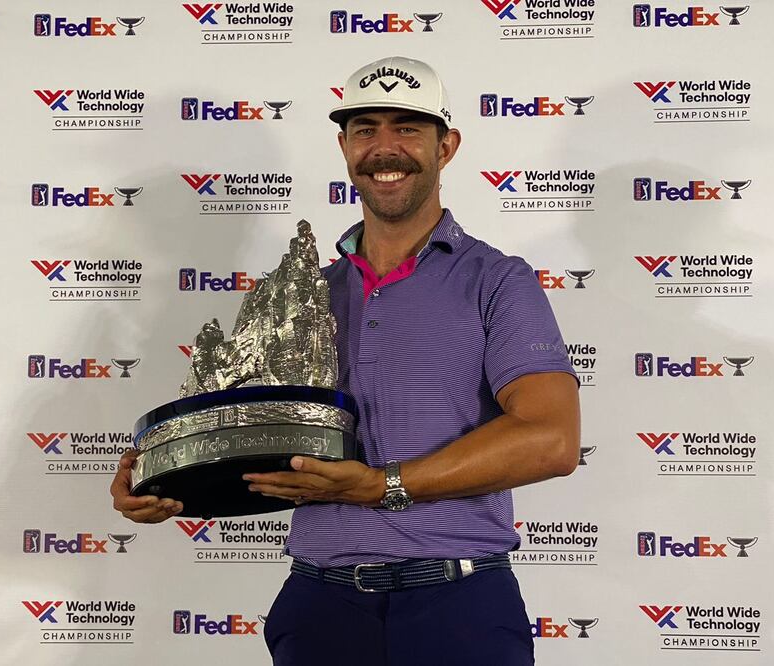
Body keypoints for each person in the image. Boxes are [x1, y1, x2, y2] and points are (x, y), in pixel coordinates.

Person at [110, 56, 580, 666]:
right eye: (366, 129)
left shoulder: (497, 280)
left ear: (448, 146)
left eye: (407, 127)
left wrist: (382, 486)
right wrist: (163, 478)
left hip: (458, 606)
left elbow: (551, 440)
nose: (386, 148)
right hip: (320, 608)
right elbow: (258, 436)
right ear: (344, 147)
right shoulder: (304, 292)